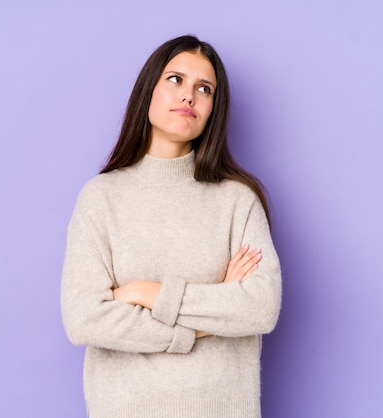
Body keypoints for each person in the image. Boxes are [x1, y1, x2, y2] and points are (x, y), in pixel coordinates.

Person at [61, 35, 282, 418]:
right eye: (175, 79)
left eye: (204, 88)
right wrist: (204, 322)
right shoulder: (101, 197)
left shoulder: (236, 199)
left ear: (214, 107)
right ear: (149, 89)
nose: (188, 97)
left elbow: (260, 308)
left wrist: (143, 292)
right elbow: (84, 319)